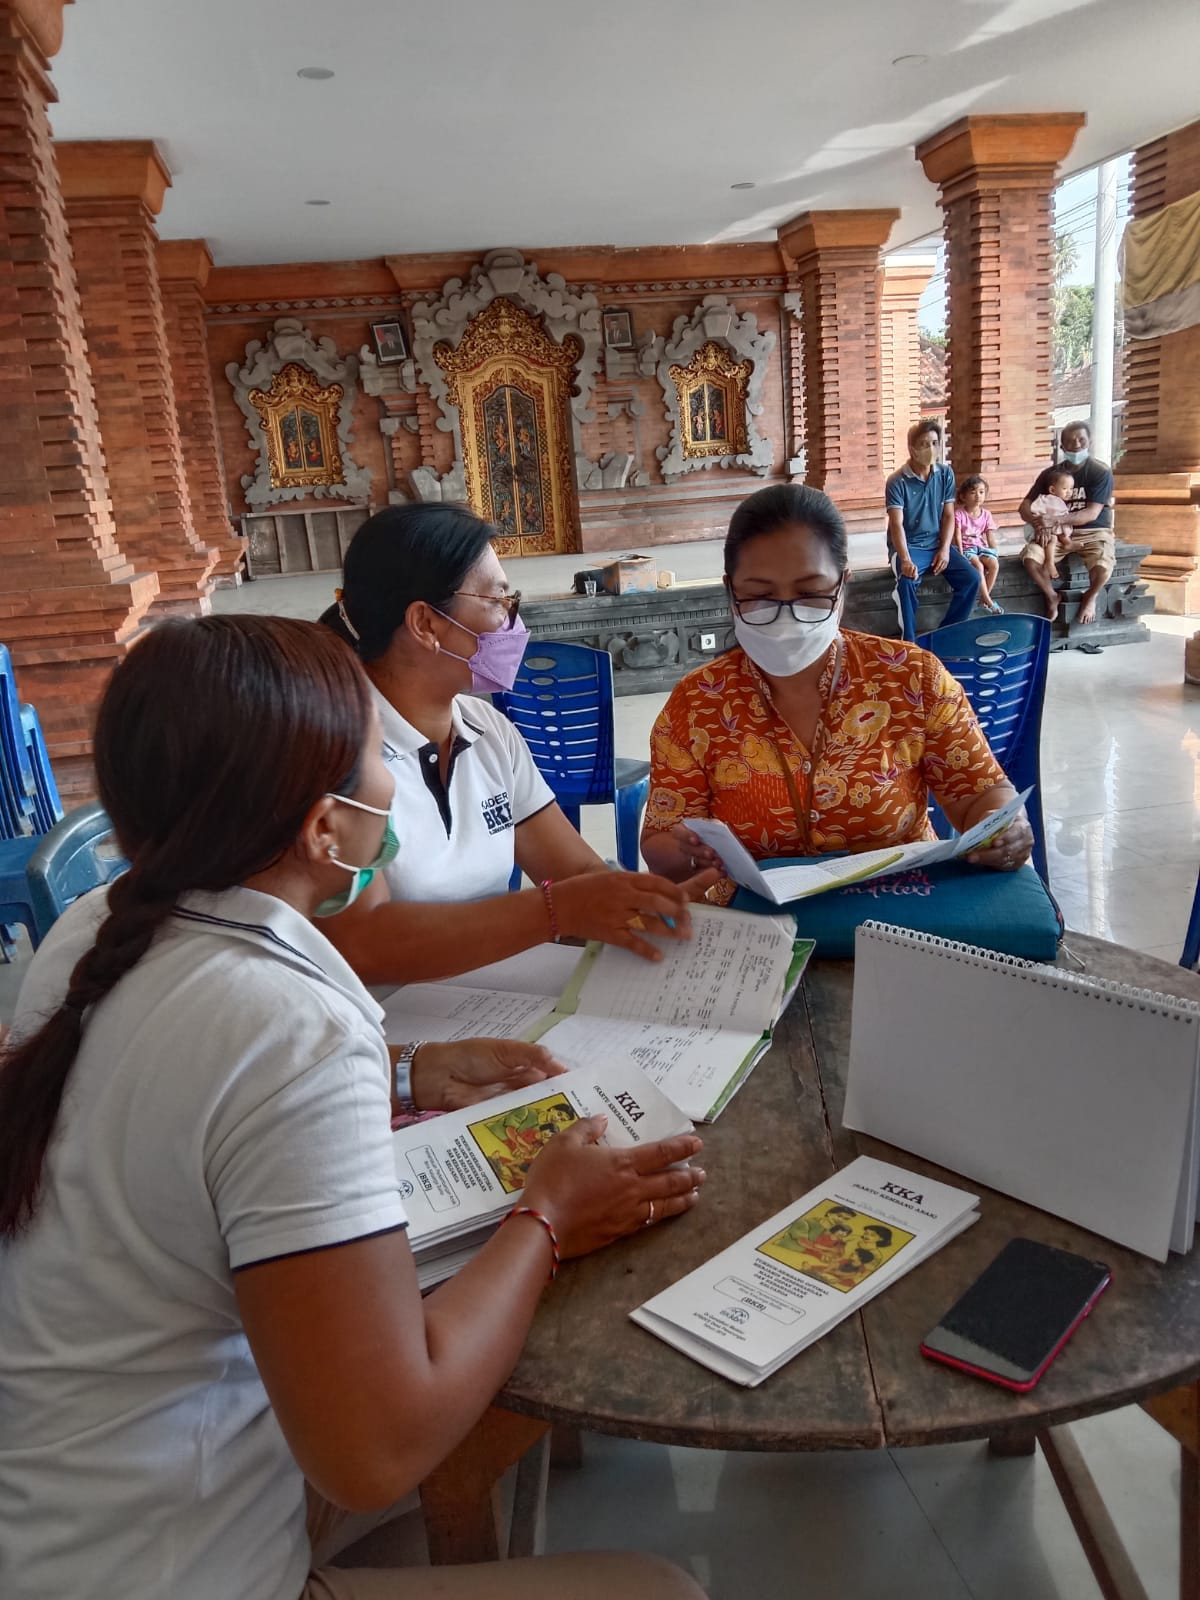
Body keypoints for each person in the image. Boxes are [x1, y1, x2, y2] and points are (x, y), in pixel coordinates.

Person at [0, 615, 706, 1600]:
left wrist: (406, 1070)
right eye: (376, 752)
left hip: (61, 1507)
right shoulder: (290, 1019)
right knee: (659, 1591)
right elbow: (373, 1451)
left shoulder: (91, 928)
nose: (392, 774)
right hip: (162, 1567)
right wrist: (547, 1215)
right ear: (325, 828)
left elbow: (172, 1096)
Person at [318, 505, 715, 985]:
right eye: (498, 602)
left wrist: (649, 901)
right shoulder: (337, 749)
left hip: (496, 1001)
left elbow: (575, 873)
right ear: (425, 624)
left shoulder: (489, 730)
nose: (513, 625)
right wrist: (551, 912)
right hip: (392, 1031)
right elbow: (365, 943)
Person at [641, 484, 1034, 899]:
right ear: (730, 590)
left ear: (843, 584)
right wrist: (684, 853)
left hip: (897, 916)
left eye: (810, 593)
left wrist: (1002, 829)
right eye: (758, 596)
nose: (786, 614)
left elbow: (981, 792)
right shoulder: (698, 703)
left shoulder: (910, 679)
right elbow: (662, 843)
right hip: (757, 928)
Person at [885, 418, 981, 641]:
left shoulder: (945, 474)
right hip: (910, 547)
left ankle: (946, 635)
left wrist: (946, 549)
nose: (931, 449)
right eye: (924, 444)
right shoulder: (896, 481)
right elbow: (896, 524)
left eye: (935, 443)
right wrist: (905, 559)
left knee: (972, 579)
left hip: (937, 544)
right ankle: (909, 642)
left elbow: (949, 515)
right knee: (907, 582)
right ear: (912, 448)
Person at [1020, 421, 1116, 626]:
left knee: (1103, 564)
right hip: (1054, 533)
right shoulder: (1051, 475)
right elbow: (1025, 506)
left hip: (1092, 531)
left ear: (1090, 441)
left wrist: (1055, 519)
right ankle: (1051, 596)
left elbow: (1092, 512)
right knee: (1030, 558)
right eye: (1070, 441)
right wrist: (1038, 523)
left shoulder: (1100, 472)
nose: (1077, 444)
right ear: (1062, 446)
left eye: (1081, 439)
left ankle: (1090, 596)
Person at [953, 475, 1002, 615]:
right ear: (963, 496)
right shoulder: (959, 514)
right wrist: (961, 553)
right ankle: (989, 601)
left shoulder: (986, 514)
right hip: (967, 548)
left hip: (981, 547)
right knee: (978, 566)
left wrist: (994, 551)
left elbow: (989, 534)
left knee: (994, 564)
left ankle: (982, 601)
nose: (977, 496)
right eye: (973, 492)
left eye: (981, 492)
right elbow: (957, 535)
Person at [1025, 467, 1076, 584]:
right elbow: (1035, 509)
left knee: (1056, 536)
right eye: (1064, 488)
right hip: (1043, 529)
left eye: (1071, 489)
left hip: (1053, 528)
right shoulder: (1047, 499)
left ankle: (1067, 542)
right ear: (1052, 490)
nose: (1069, 492)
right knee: (1052, 539)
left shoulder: (1059, 501)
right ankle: (1050, 562)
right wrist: (1042, 522)